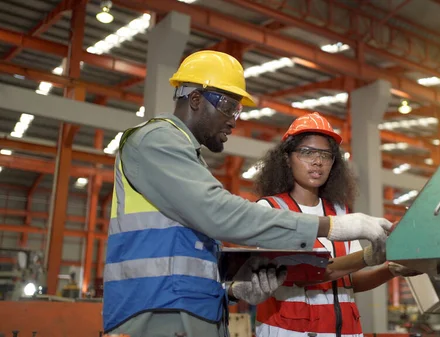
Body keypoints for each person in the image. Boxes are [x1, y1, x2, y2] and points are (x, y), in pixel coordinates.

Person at [102, 50, 394, 337]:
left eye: (237, 110)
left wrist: (231, 290)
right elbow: (219, 213)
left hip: (185, 311)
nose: (233, 119)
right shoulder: (157, 141)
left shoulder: (190, 159)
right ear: (195, 99)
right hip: (156, 314)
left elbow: (189, 256)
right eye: (229, 106)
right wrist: (331, 227)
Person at [253, 112, 422, 337]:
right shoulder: (270, 210)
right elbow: (303, 273)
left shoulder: (340, 213)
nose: (317, 161)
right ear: (286, 158)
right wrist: (369, 256)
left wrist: (389, 269)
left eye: (326, 155)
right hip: (291, 331)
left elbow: (349, 281)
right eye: (307, 152)